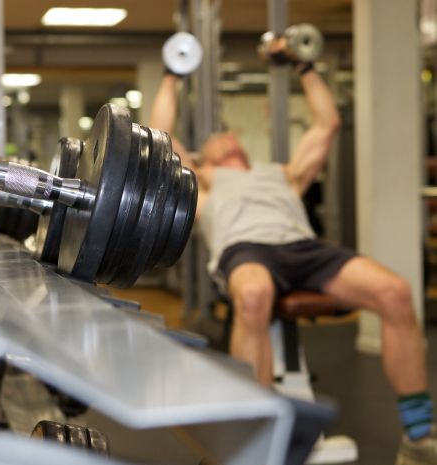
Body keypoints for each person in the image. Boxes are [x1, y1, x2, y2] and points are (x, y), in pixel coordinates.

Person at [150, 39, 436, 465]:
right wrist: (174, 73)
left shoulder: (283, 174)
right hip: (246, 252)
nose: (226, 136)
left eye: (230, 134)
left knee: (394, 290)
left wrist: (304, 66)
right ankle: (252, 440)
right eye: (216, 138)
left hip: (306, 250)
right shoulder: (203, 181)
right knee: (254, 295)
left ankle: (418, 434)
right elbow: (160, 136)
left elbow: (327, 123)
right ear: (201, 156)